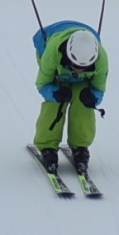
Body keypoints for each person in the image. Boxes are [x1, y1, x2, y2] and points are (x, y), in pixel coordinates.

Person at [31, 21, 107, 175]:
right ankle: (47, 146)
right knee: (56, 103)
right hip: (55, 59)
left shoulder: (101, 60)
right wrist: (54, 93)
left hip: (74, 65)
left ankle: (80, 147)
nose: (78, 71)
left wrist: (93, 98)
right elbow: (42, 84)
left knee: (83, 101)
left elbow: (99, 89)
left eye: (84, 68)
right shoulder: (52, 52)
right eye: (75, 65)